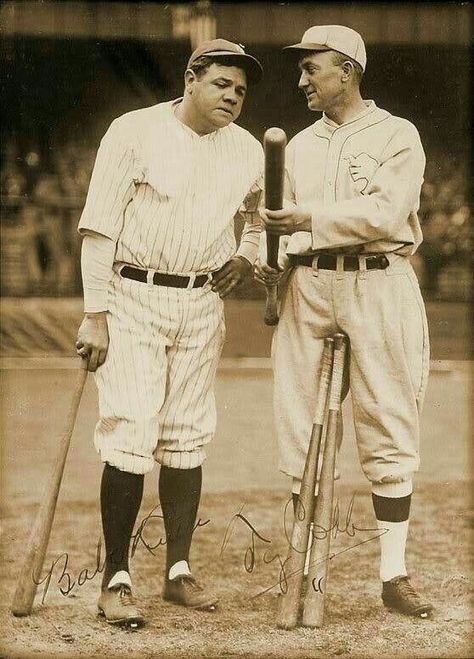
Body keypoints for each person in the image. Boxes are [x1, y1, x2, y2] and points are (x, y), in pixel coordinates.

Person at [76, 39, 264, 627]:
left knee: (187, 434)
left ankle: (178, 571)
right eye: (221, 84)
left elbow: (261, 213)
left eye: (240, 90)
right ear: (190, 78)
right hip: (132, 294)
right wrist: (95, 313)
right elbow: (99, 228)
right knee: (131, 428)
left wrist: (250, 252)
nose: (232, 97)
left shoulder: (249, 150)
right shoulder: (133, 131)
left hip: (202, 299)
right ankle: (116, 578)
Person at [255, 25, 433, 618]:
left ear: (348, 71)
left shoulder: (397, 136)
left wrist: (304, 216)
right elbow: (268, 224)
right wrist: (270, 259)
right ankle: (301, 562)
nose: (302, 79)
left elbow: (385, 213)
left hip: (378, 280)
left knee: (388, 418)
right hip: (311, 283)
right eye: (302, 69)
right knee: (299, 425)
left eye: (313, 69)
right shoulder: (297, 145)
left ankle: (393, 573)